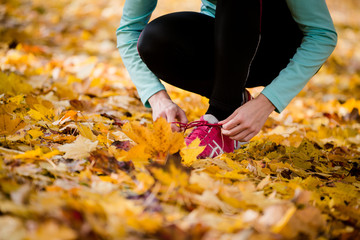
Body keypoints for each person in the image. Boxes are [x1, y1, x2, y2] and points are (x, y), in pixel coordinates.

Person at [116, 0, 337, 158]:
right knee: (155, 40)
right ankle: (233, 101)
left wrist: (266, 102)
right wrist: (157, 98)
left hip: (278, 52)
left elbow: (321, 35)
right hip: (224, 47)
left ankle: (218, 117)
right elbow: (129, 30)